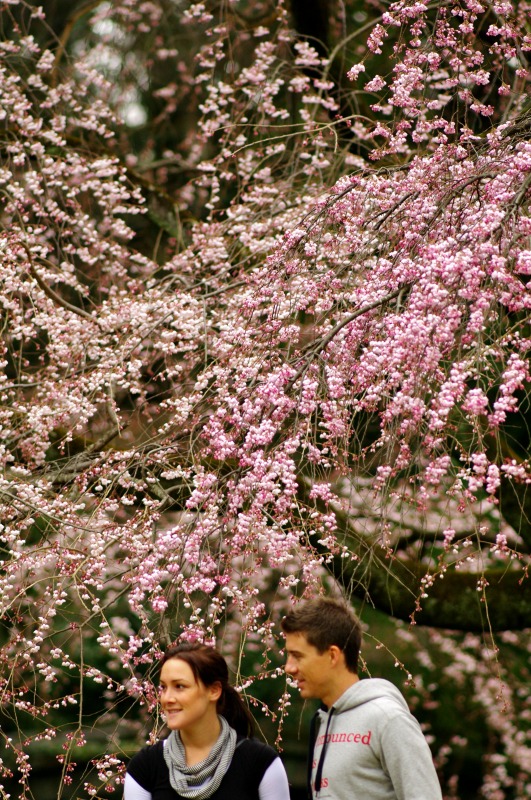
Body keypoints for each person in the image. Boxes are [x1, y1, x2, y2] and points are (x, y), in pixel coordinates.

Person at [281, 597, 443, 800]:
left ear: (332, 655)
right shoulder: (324, 721)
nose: (289, 668)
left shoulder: (388, 719)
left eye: (298, 656)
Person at [124, 642, 291, 800]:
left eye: (180, 686)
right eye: (163, 687)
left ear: (214, 690)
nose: (167, 698)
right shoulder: (144, 767)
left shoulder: (261, 763)